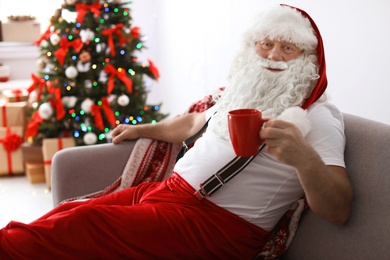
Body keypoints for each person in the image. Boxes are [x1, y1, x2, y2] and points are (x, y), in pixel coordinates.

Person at [0, 4, 353, 259]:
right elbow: (191, 123)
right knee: (65, 213)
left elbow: (338, 210)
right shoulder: (241, 94)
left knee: (82, 224)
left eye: (287, 47)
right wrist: (143, 128)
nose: (273, 55)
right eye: (265, 43)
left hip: (214, 224)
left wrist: (304, 159)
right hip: (166, 192)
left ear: (309, 58)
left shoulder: (318, 117)